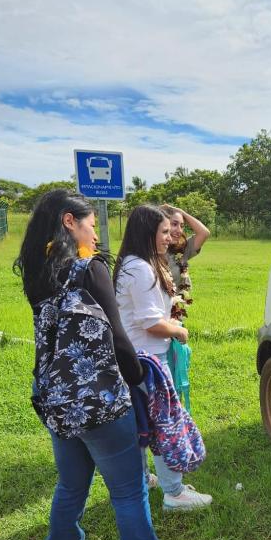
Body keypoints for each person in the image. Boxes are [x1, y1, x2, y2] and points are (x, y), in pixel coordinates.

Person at [14, 189, 166, 540]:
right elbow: (119, 339)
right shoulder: (90, 269)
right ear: (69, 221)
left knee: (70, 483)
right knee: (129, 491)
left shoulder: (38, 272)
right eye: (91, 225)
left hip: (56, 401)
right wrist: (139, 377)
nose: (95, 234)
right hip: (100, 402)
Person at [113, 204, 212, 511]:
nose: (171, 238)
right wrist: (178, 331)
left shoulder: (133, 263)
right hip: (150, 360)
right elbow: (150, 323)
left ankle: (143, 478)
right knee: (162, 424)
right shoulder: (141, 269)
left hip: (137, 358)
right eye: (165, 232)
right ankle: (174, 493)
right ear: (148, 233)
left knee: (142, 423)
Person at [160, 204, 210, 308]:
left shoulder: (182, 250)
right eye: (174, 224)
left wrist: (180, 211)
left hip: (175, 314)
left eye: (182, 226)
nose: (179, 230)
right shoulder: (148, 252)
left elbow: (204, 233)